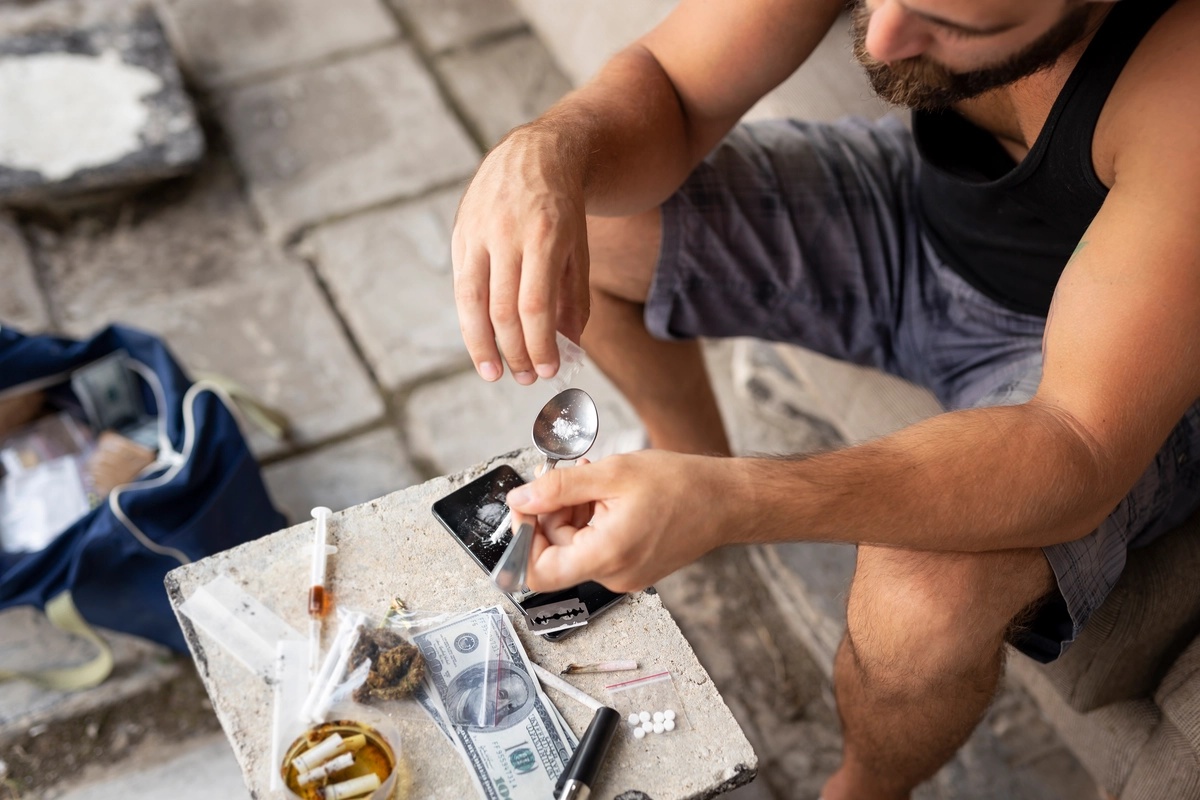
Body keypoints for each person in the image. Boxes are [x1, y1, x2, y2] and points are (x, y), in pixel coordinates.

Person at [450, 0, 1200, 796]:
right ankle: (683, 465)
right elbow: (672, 86)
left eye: (955, 26)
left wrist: (736, 500)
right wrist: (546, 149)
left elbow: (1073, 444)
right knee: (592, 228)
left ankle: (864, 790)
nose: (878, 41)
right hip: (920, 211)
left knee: (920, 603)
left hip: (1112, 357)